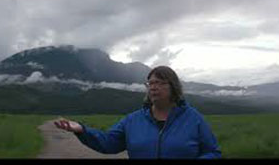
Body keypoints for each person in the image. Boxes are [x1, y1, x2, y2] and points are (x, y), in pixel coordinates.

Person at [54, 66, 221, 159]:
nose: (154, 87)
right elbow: (108, 143)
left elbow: (212, 152)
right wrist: (82, 130)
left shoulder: (193, 118)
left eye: (160, 82)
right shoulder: (133, 120)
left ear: (173, 87)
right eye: (150, 83)